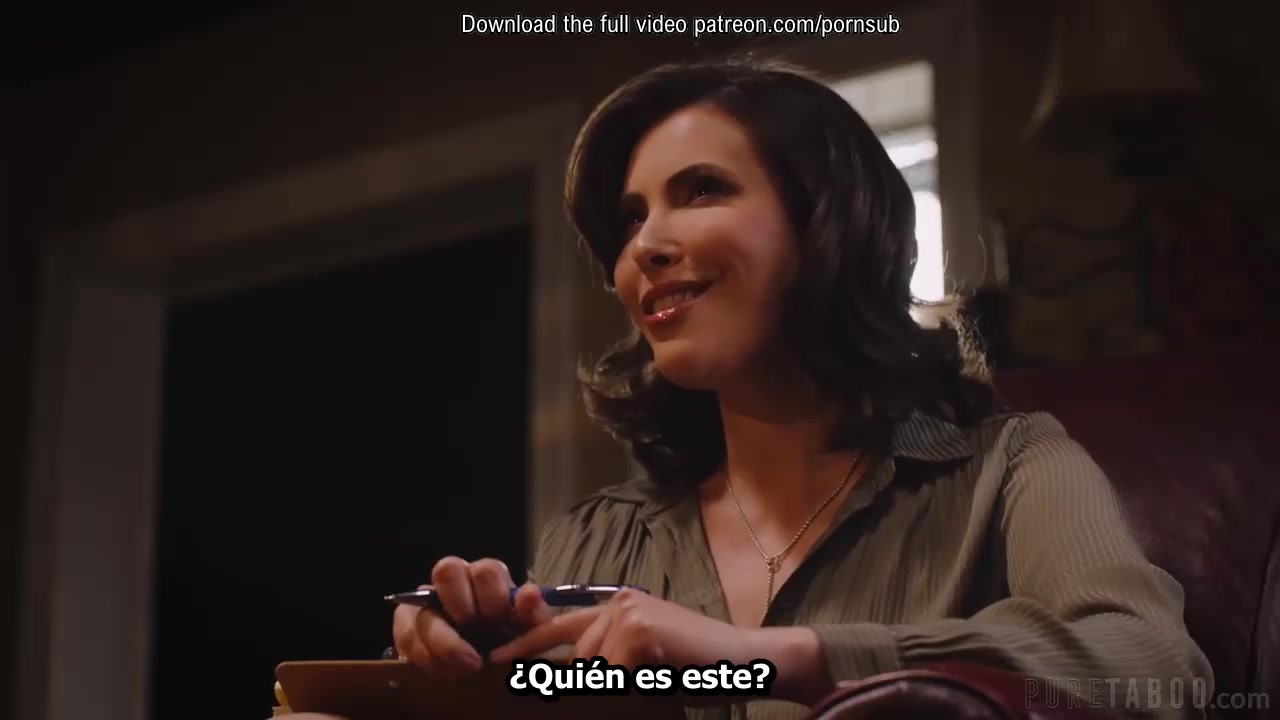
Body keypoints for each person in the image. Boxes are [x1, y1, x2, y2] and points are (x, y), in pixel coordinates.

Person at [383, 57, 1213, 720]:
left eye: (701, 190)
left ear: (828, 225)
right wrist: (442, 665)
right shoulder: (596, 541)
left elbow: (1156, 668)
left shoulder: (1012, 468)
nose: (643, 247)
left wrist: (786, 658)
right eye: (631, 219)